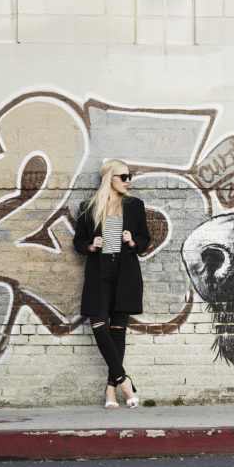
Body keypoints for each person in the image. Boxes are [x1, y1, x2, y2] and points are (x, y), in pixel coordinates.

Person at [73, 159, 150, 409]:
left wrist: (131, 240)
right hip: (99, 274)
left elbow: (145, 239)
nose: (128, 181)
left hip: (125, 274)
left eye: (130, 176)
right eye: (123, 176)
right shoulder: (89, 207)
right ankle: (124, 382)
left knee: (118, 332)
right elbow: (78, 242)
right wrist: (92, 245)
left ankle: (110, 391)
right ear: (110, 178)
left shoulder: (135, 206)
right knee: (99, 327)